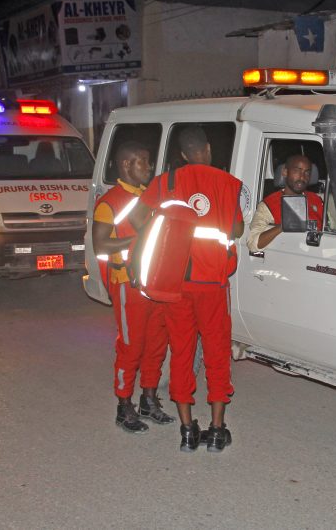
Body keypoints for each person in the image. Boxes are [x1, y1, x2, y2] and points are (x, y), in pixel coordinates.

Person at [133, 126, 244, 453]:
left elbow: (140, 218)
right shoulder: (227, 184)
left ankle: (186, 430)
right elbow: (236, 228)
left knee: (181, 352)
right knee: (216, 353)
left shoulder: (166, 182)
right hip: (211, 284)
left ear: (181, 154)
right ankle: (216, 430)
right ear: (208, 149)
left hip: (174, 282)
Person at [92, 141, 175, 434]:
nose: (150, 168)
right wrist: (140, 241)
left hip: (154, 281)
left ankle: (148, 398)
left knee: (156, 344)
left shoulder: (149, 197)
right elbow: (100, 243)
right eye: (144, 161)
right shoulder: (110, 202)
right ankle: (123, 405)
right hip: (127, 283)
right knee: (131, 346)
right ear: (127, 165)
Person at [247, 154, 323, 252]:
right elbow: (253, 244)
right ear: (285, 172)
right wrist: (283, 226)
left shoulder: (317, 200)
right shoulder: (269, 205)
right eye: (297, 171)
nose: (302, 177)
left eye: (307, 173)